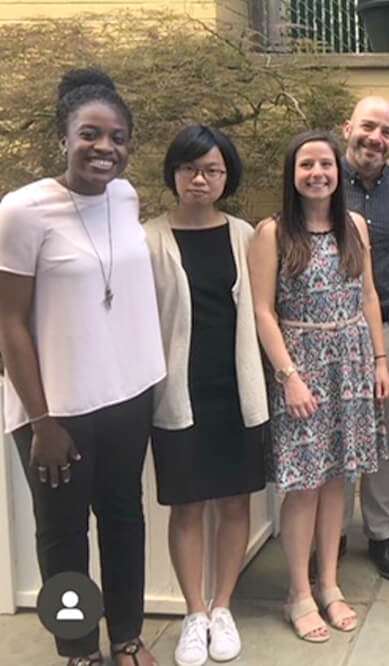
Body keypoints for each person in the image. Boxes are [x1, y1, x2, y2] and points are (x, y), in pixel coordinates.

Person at [0, 69, 165, 666]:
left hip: (124, 398)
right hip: (56, 414)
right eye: (90, 134)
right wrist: (41, 420)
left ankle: (126, 637)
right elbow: (11, 323)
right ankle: (79, 650)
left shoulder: (125, 198)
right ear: (63, 137)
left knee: (124, 519)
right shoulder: (22, 212)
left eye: (118, 137)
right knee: (63, 537)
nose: (105, 148)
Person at [249, 130, 389, 641]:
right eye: (307, 164)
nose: (317, 173)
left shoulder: (353, 225)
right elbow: (263, 311)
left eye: (325, 164)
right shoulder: (272, 232)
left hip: (351, 361)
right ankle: (298, 592)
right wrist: (288, 378)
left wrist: (379, 359)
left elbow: (369, 295)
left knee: (338, 481)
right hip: (302, 365)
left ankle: (329, 583)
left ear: (338, 171)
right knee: (304, 484)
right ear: (293, 174)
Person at [145, 125, 268, 666]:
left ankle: (223, 606)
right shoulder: (148, 238)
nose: (201, 178)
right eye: (191, 168)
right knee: (188, 505)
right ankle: (194, 613)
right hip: (178, 391)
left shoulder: (245, 235)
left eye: (213, 170)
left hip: (238, 388)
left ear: (227, 177)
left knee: (237, 500)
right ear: (174, 172)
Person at [339, 96, 389, 580]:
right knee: (334, 438)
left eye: (387, 132)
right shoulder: (320, 180)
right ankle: (332, 534)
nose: (376, 138)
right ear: (348, 126)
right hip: (330, 332)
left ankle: (381, 532)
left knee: (385, 438)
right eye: (368, 126)